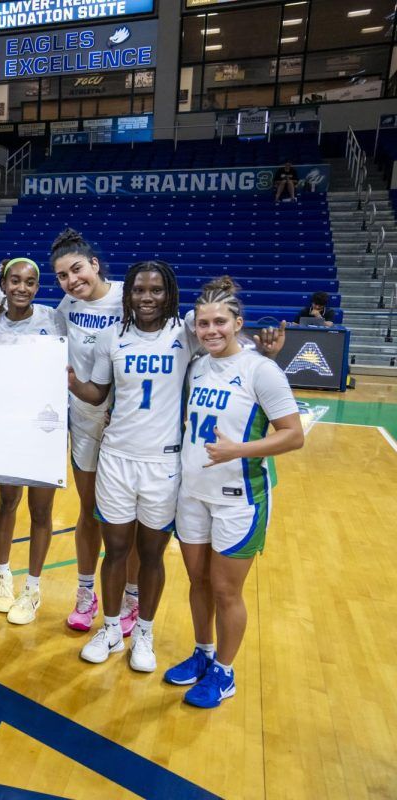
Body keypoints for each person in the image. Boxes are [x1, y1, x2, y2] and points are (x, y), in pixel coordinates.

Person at [166, 277, 304, 708]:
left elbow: (294, 435)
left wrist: (237, 450)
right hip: (193, 494)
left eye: (220, 322)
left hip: (239, 498)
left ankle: (225, 672)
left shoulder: (262, 370)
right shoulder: (197, 366)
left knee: (227, 591)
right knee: (198, 580)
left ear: (237, 323)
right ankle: (203, 653)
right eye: (204, 323)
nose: (211, 331)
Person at [68, 261, 193, 671]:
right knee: (117, 549)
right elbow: (98, 393)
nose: (147, 297)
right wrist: (70, 381)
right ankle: (109, 628)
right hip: (117, 459)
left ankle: (144, 634)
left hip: (163, 461)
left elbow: (225, 339)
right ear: (128, 294)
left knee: (151, 553)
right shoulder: (113, 337)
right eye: (139, 290)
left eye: (156, 290)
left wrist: (264, 349)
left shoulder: (185, 332)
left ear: (169, 293)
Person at [50, 229, 138, 634]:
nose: (72, 280)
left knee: (128, 520)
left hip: (129, 428)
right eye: (63, 276)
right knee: (89, 513)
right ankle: (86, 595)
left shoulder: (129, 298)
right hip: (84, 422)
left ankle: (132, 599)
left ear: (95, 265)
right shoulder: (65, 307)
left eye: (77, 269)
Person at [0, 257, 64, 624]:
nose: (21, 288)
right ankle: (2, 575)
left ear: (38, 286)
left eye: (29, 282)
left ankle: (32, 588)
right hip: (6, 427)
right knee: (7, 500)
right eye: (14, 281)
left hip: (45, 429)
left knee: (41, 511)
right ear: (2, 283)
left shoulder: (53, 318)